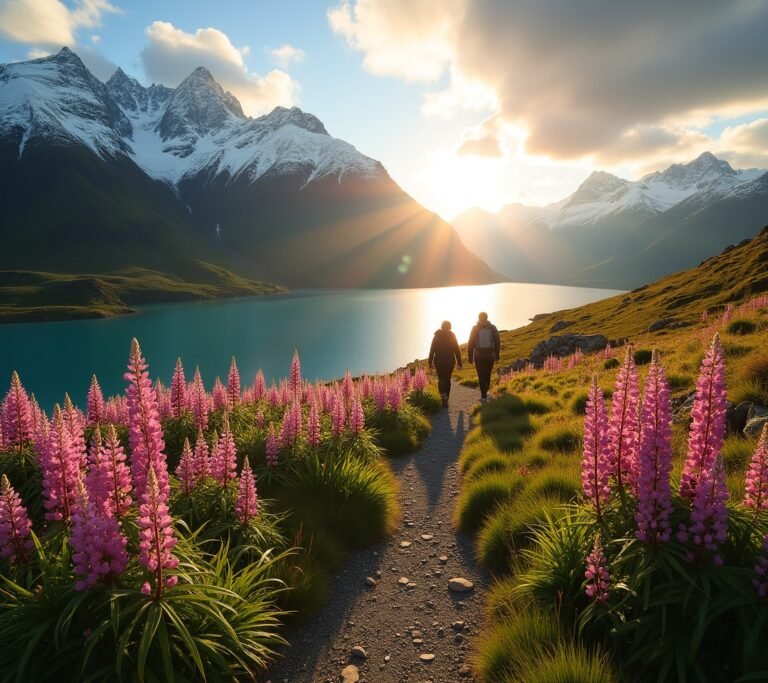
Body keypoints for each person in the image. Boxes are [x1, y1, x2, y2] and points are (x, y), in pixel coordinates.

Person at [428, 320, 463, 407]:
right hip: (450, 361)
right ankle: (446, 397)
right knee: (447, 379)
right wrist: (459, 363)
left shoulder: (436, 336)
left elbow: (432, 350)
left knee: (441, 379)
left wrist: (430, 362)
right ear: (449, 327)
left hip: (439, 361)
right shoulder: (452, 335)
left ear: (442, 326)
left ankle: (443, 396)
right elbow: (457, 350)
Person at [468, 311, 500, 402]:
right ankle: (486, 391)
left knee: (481, 375)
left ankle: (484, 396)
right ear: (487, 318)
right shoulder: (493, 328)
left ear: (479, 318)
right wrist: (497, 356)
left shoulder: (475, 328)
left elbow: (471, 343)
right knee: (487, 374)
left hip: (478, 356)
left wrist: (470, 357)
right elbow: (497, 342)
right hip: (490, 356)